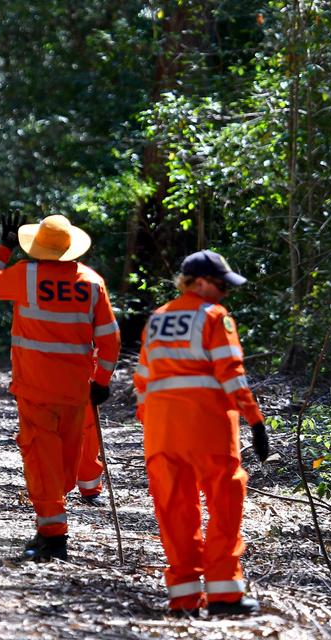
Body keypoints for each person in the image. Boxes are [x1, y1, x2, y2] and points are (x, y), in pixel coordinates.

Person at [132, 250, 270, 616]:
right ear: (200, 283)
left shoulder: (157, 320)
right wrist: (255, 420)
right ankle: (225, 595)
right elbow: (231, 375)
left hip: (163, 434)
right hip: (209, 429)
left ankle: (184, 599)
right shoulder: (214, 317)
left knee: (175, 511)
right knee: (224, 505)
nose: (225, 292)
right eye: (222, 284)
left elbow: (143, 382)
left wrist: (153, 425)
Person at [0, 213, 120, 561]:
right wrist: (101, 381)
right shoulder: (91, 282)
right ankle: (52, 521)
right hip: (76, 392)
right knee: (65, 464)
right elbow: (111, 341)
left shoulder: (26, 275)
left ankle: (53, 537)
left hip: (36, 389)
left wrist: (4, 247)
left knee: (42, 460)